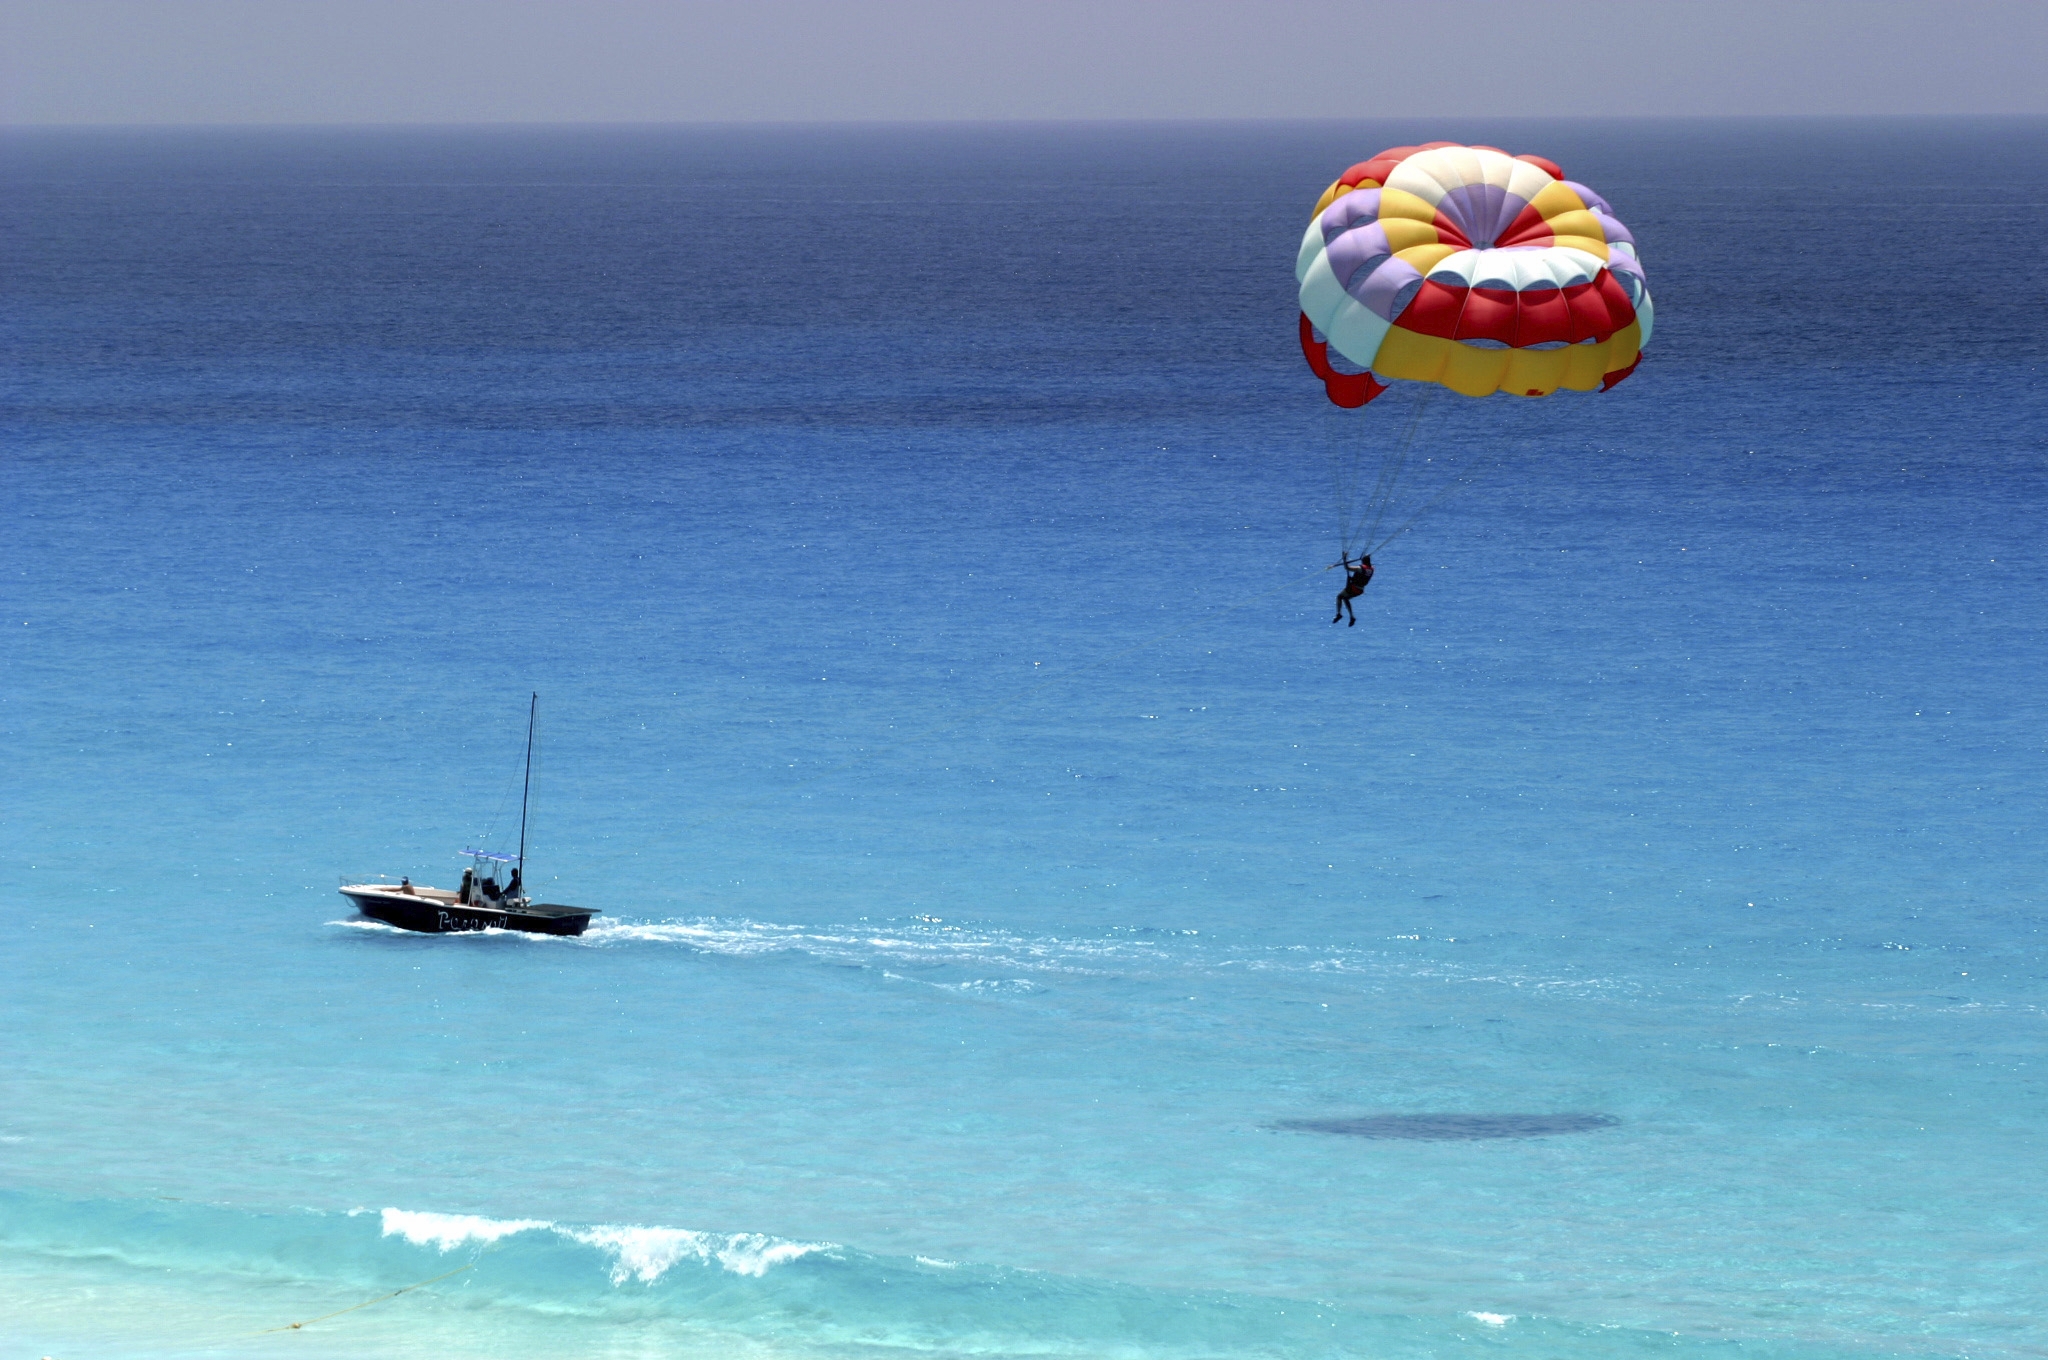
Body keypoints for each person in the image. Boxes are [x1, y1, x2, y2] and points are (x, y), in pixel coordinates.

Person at [1333, 553, 1374, 626]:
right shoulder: (1371, 569)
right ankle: (1352, 617)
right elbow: (1362, 577)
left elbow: (1347, 568)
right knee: (1345, 599)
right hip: (1360, 590)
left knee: (1339, 597)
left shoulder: (1360, 568)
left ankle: (1339, 614)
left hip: (1353, 588)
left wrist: (1344, 558)